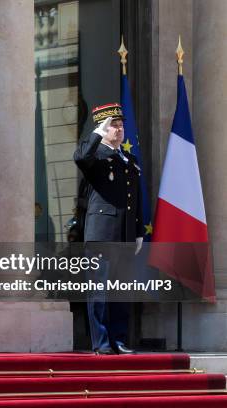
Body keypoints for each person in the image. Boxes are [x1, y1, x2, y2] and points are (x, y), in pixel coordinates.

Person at [73, 103, 143, 355]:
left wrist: (138, 231)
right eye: (113, 124)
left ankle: (119, 339)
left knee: (121, 290)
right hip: (101, 232)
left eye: (121, 125)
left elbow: (135, 198)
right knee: (99, 290)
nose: (119, 129)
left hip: (124, 233)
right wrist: (97, 134)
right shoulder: (95, 155)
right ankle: (101, 342)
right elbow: (80, 157)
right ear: (102, 127)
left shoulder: (129, 159)